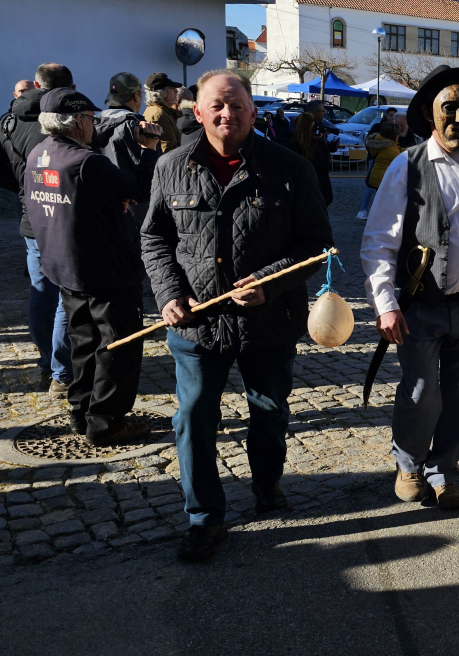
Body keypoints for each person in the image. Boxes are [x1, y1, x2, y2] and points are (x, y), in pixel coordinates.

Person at [141, 69, 334, 562]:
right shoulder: (171, 167)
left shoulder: (291, 168)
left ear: (252, 110)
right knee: (192, 415)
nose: (227, 114)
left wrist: (271, 281)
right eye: (217, 106)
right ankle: (205, 519)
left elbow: (316, 243)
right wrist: (168, 292)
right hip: (196, 324)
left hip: (269, 322)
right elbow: (155, 238)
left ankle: (267, 486)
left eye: (236, 104)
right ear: (198, 112)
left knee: (269, 412)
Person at [360, 64, 459, 510]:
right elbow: (378, 241)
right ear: (430, 113)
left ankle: (444, 469)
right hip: (422, 305)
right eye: (451, 108)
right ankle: (408, 462)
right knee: (423, 390)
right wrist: (385, 304)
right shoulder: (407, 166)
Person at [25, 88, 155, 444]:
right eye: (91, 119)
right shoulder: (86, 160)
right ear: (79, 120)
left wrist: (116, 201)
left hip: (64, 266)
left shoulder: (39, 153)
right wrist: (147, 150)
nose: (94, 125)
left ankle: (81, 411)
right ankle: (107, 422)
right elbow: (138, 187)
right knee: (119, 344)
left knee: (83, 341)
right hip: (105, 269)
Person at [0, 63, 75, 394]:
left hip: (32, 220)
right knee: (66, 295)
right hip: (63, 218)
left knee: (41, 293)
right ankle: (63, 371)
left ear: (36, 84)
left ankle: (48, 364)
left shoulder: (9, 120)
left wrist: (21, 185)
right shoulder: (62, 119)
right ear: (66, 88)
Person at [92, 72, 163, 227]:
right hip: (137, 208)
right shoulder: (137, 126)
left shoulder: (94, 123)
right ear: (136, 96)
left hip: (106, 204)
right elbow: (151, 170)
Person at [286, 111, 333, 206]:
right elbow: (316, 160)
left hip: (313, 179)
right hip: (308, 181)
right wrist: (320, 142)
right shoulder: (297, 144)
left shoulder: (305, 142)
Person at [143, 72, 183, 152]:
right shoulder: (158, 115)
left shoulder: (163, 112)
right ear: (163, 93)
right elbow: (168, 151)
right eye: (172, 88)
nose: (176, 92)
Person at [366, 121, 402, 192]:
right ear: (392, 135)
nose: (399, 135)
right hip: (384, 180)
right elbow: (401, 161)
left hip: (377, 177)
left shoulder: (379, 142)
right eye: (397, 134)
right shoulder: (390, 148)